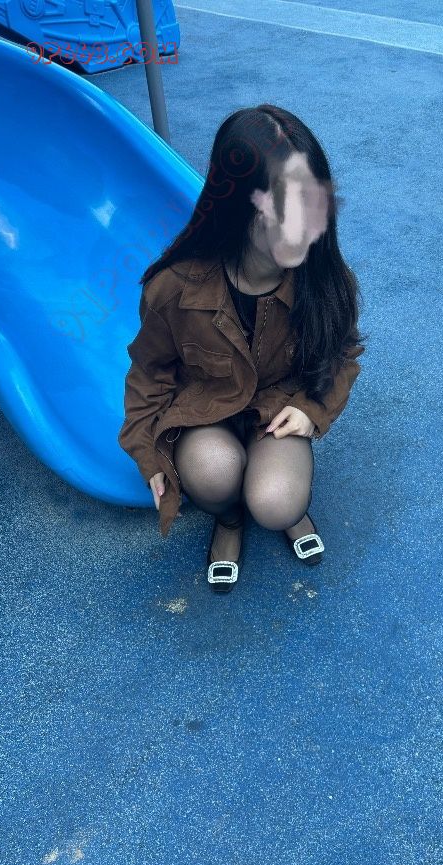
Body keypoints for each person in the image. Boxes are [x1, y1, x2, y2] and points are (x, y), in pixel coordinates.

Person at [118, 104, 367, 592]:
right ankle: (228, 520)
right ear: (237, 207)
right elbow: (149, 372)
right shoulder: (173, 288)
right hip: (206, 406)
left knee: (277, 502)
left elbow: (342, 353)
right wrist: (147, 451)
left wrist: (312, 409)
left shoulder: (324, 278)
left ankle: (284, 507)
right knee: (213, 473)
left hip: (275, 406)